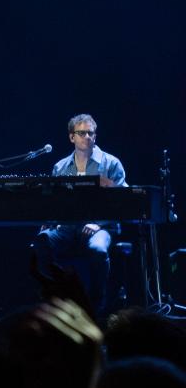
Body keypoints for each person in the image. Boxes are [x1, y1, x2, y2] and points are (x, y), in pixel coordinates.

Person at [32, 113, 127, 314]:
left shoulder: (111, 163)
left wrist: (98, 223)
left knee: (98, 250)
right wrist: (49, 221)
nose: (87, 137)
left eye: (90, 133)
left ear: (95, 136)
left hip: (101, 227)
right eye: (82, 133)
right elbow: (54, 202)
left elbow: (122, 202)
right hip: (67, 227)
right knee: (41, 241)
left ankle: (96, 305)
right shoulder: (60, 166)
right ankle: (56, 299)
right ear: (71, 137)